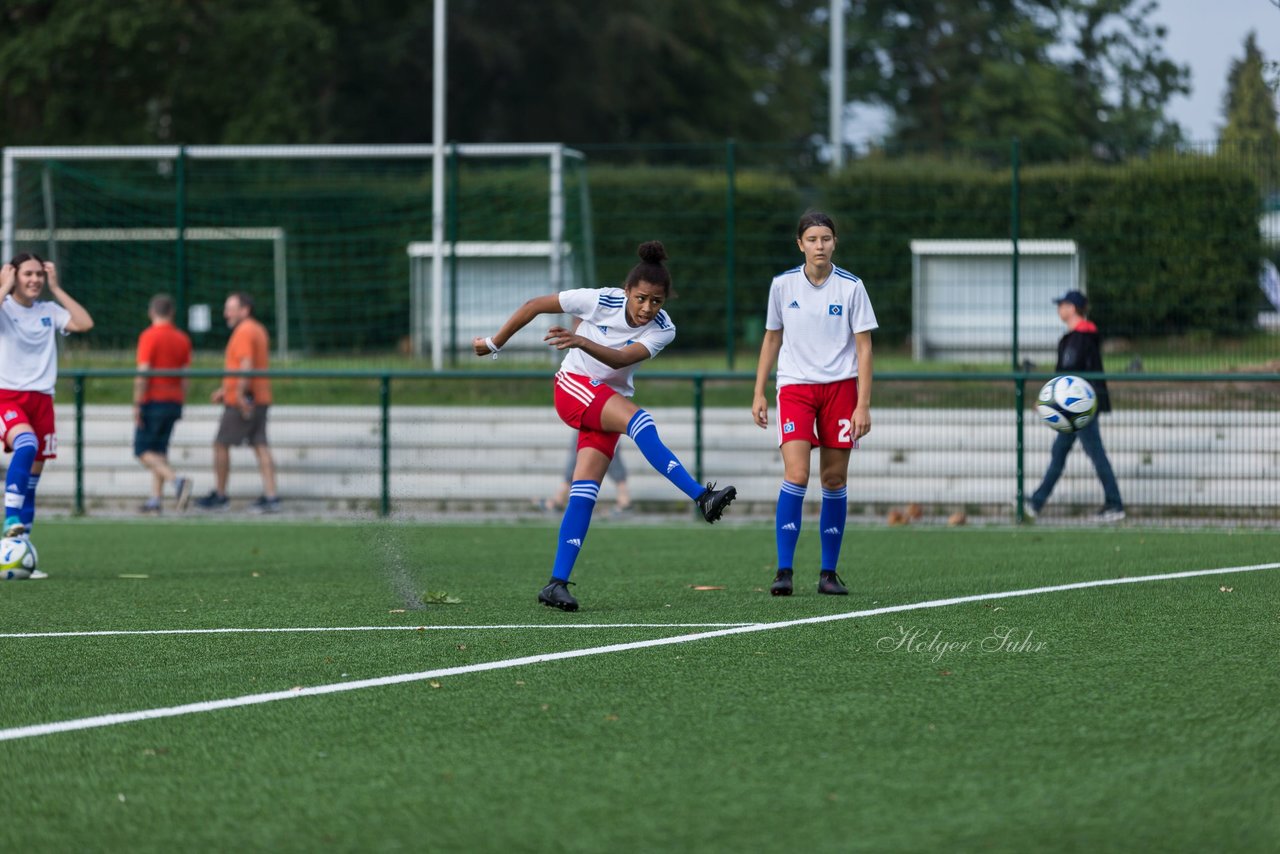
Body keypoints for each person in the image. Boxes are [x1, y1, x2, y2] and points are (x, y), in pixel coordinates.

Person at [476, 241, 736, 612]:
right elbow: (534, 305)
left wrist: (580, 339)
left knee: (585, 493)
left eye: (657, 301)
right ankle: (701, 496)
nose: (648, 308)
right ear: (627, 291)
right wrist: (493, 343)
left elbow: (620, 358)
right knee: (640, 421)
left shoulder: (664, 329)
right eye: (641, 298)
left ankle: (556, 584)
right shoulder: (600, 300)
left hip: (605, 401)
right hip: (574, 389)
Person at [752, 211, 877, 597]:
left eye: (826, 238)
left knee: (834, 480)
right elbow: (772, 338)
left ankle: (828, 573)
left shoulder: (852, 287)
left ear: (834, 242)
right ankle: (784, 571)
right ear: (800, 244)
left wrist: (863, 405)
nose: (819, 246)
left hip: (841, 391)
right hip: (795, 389)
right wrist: (758, 391)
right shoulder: (782, 285)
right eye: (812, 239)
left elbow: (864, 348)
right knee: (796, 475)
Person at [0, 253, 95, 579]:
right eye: (28, 274)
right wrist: (4, 286)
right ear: (14, 275)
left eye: (39, 274)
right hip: (7, 396)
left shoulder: (49, 311)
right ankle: (10, 517)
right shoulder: (5, 307)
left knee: (32, 482)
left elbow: (84, 323)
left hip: (42, 400)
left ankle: (18, 550)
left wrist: (57, 288)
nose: (34, 280)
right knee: (25, 444)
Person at [1026, 290, 1124, 522]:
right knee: (1059, 452)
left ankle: (1115, 504)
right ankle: (1036, 502)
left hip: (1080, 407)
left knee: (1095, 453)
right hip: (1076, 406)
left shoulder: (1080, 337)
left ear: (1072, 308)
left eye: (1062, 304)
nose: (1059, 308)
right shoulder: (1077, 336)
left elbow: (1068, 376)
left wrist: (1047, 401)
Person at [194, 292, 280, 513]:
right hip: (259, 396)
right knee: (260, 445)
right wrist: (226, 389)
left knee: (220, 444)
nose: (226, 314)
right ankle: (271, 497)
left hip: (245, 400)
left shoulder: (244, 331)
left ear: (245, 310)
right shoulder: (257, 329)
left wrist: (239, 395)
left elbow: (246, 365)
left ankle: (221, 496)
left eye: (230, 308)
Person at [134, 294, 194, 513]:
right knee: (159, 451)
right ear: (172, 313)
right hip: (174, 400)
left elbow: (144, 371)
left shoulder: (149, 336)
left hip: (153, 400)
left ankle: (177, 481)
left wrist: (137, 402)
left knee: (142, 450)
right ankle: (155, 499)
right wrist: (182, 399)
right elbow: (186, 375)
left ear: (151, 312)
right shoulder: (182, 338)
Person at [539, 434, 633, 516]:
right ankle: (624, 500)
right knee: (609, 450)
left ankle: (559, 498)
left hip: (593, 419)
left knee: (581, 452)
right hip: (601, 418)